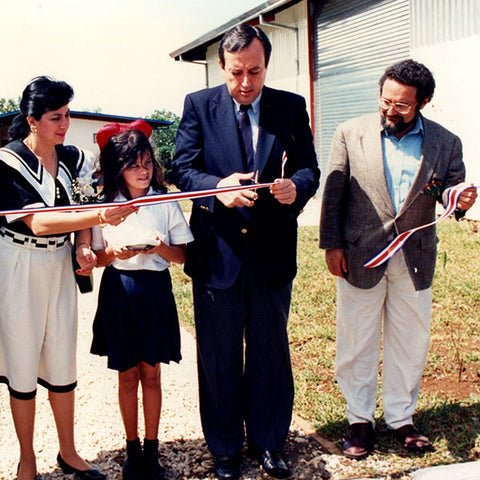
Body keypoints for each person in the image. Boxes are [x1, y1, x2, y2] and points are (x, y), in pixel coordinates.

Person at [172, 23, 319, 480]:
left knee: (269, 351)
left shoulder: (290, 107)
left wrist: (297, 186)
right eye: (236, 73)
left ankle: (270, 440)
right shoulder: (199, 106)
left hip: (272, 253)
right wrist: (218, 189)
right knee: (218, 355)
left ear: (266, 65)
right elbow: (182, 167)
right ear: (222, 66)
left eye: (254, 72)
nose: (245, 83)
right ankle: (225, 448)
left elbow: (309, 167)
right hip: (218, 255)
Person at [319, 59, 477, 460]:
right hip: (360, 253)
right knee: (357, 340)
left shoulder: (446, 142)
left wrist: (458, 198)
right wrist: (331, 245)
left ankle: (401, 419)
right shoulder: (349, 133)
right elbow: (334, 193)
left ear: (424, 102)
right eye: (386, 100)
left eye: (402, 105)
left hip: (415, 257)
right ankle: (359, 420)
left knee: (410, 340)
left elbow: (449, 187)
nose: (390, 110)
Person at [0, 76, 136, 480]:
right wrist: (96, 218)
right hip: (18, 266)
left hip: (59, 266)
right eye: (55, 117)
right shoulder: (6, 162)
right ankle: (27, 457)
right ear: (31, 120)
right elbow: (39, 222)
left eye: (67, 115)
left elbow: (78, 206)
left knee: (61, 357)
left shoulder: (73, 158)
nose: (64, 124)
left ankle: (69, 450)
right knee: (22, 362)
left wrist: (82, 242)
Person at [88, 121, 194, 480]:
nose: (143, 171)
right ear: (119, 169)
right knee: (127, 374)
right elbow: (97, 258)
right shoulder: (105, 207)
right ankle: (131, 448)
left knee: (151, 373)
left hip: (154, 292)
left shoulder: (164, 201)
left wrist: (160, 246)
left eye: (147, 162)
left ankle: (152, 448)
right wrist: (114, 251)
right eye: (134, 165)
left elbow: (181, 256)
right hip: (119, 290)